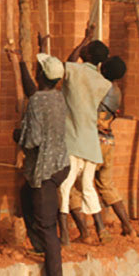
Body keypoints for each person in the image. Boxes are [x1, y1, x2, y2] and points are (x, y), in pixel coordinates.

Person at [7, 48, 70, 276]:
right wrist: (19, 62)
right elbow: (33, 92)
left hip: (44, 169)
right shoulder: (58, 97)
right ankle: (41, 248)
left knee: (46, 225)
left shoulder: (37, 101)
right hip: (59, 165)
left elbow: (31, 140)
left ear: (41, 75)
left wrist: (17, 136)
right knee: (26, 196)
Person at [58, 29, 110, 246]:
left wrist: (83, 40)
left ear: (86, 55)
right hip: (90, 142)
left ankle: (65, 237)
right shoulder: (103, 83)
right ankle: (101, 229)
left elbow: (68, 62)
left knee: (64, 186)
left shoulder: (75, 70)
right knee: (88, 186)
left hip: (73, 139)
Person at [91, 56, 134, 239]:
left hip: (94, 140)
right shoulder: (117, 91)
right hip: (109, 140)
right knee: (107, 185)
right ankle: (127, 226)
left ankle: (99, 228)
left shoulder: (102, 87)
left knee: (83, 185)